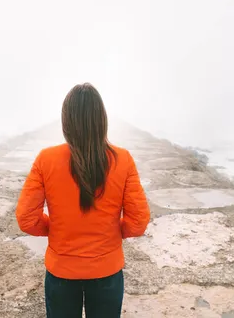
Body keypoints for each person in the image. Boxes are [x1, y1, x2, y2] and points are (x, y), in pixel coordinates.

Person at [15, 83, 151, 318]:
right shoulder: (123, 159)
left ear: (66, 121)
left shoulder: (46, 159)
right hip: (107, 272)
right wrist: (113, 232)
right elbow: (138, 222)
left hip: (61, 273)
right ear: (101, 120)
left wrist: (53, 228)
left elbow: (26, 219)